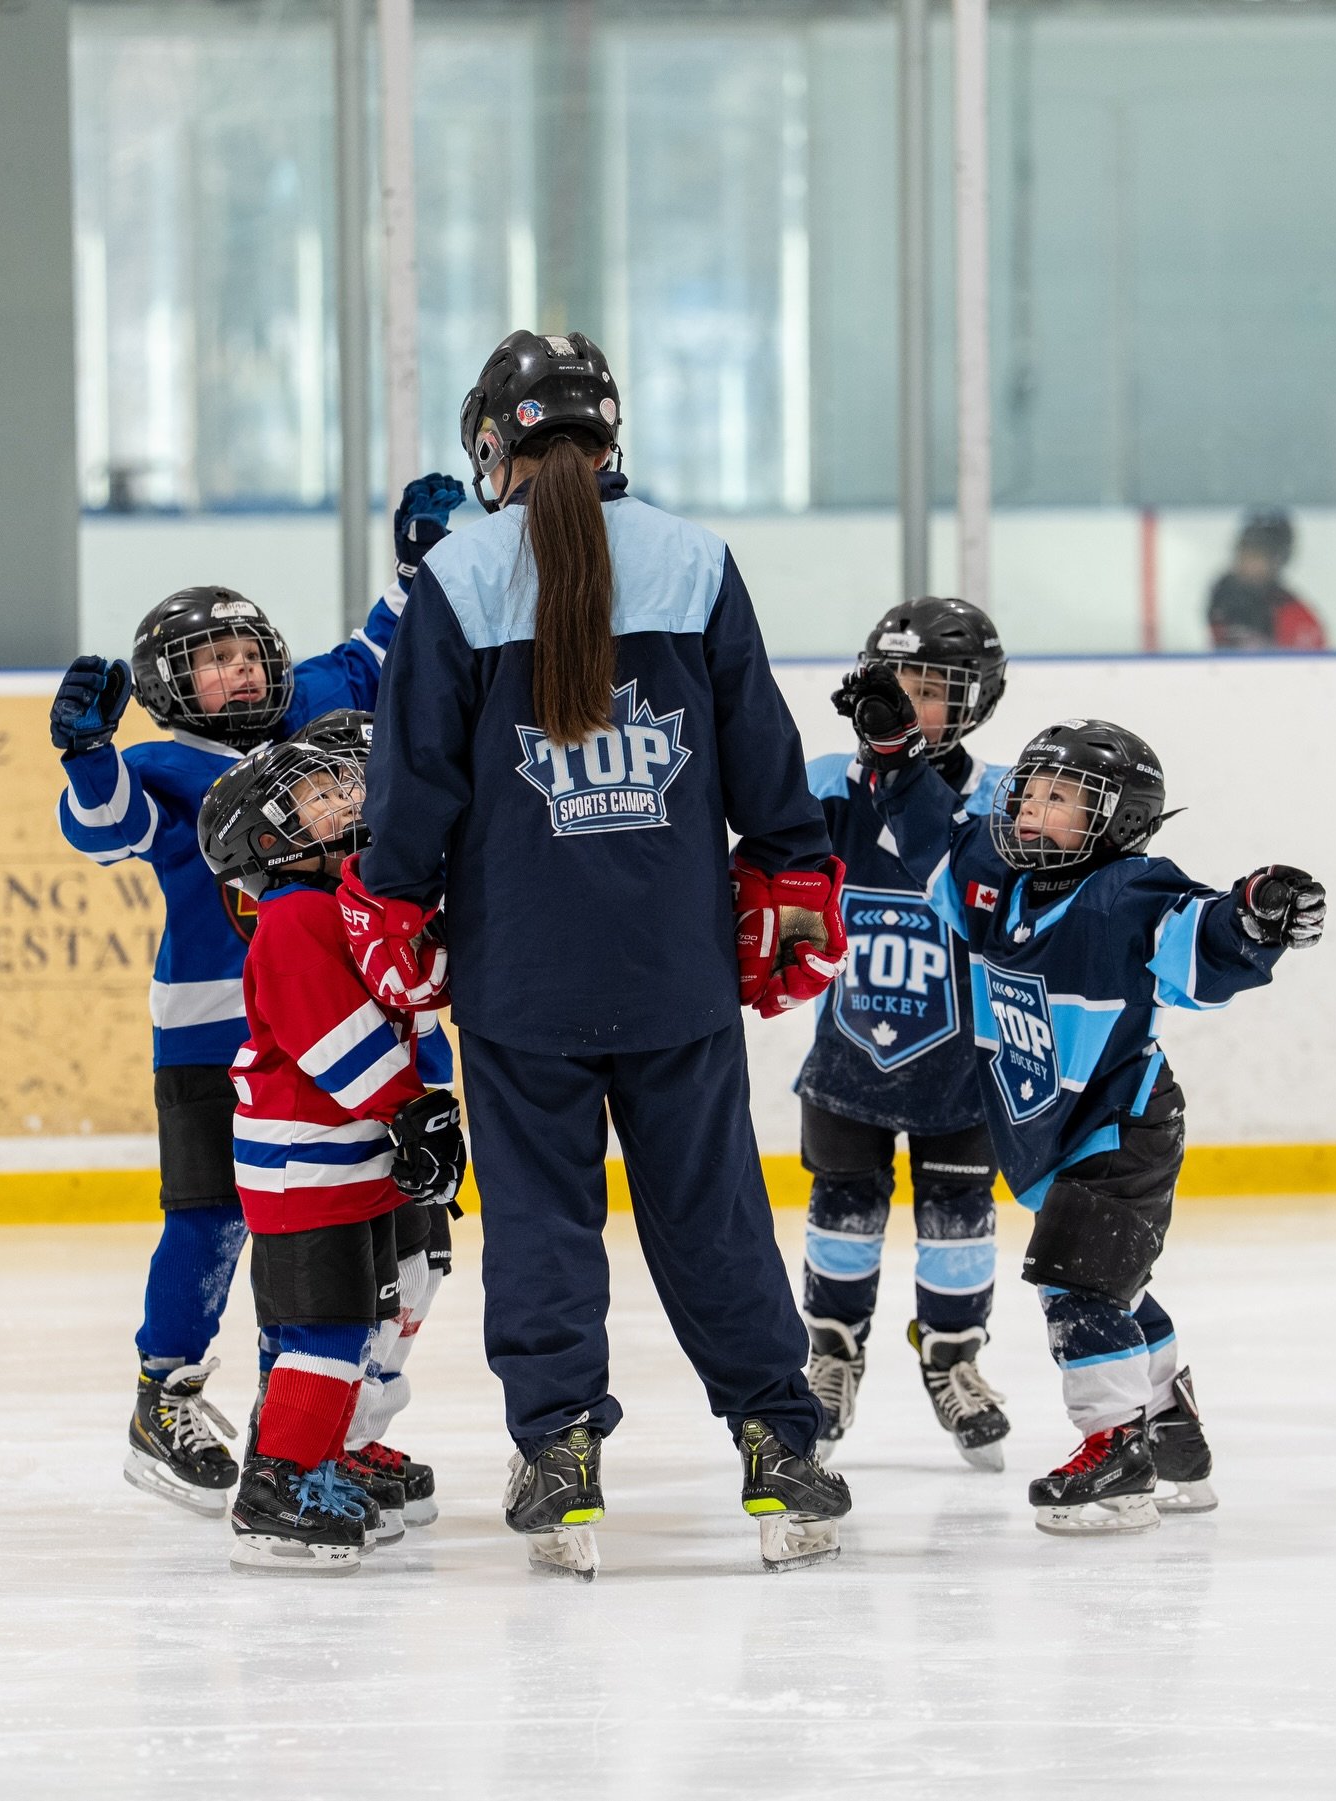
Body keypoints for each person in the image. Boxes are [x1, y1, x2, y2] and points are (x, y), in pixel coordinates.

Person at [334, 328, 852, 1578]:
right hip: (673, 963)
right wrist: (792, 869)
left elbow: (414, 780)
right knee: (714, 1213)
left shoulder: (458, 575)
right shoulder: (695, 558)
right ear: (612, 437)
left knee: (540, 1223)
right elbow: (763, 749)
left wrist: (391, 900)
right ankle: (780, 1447)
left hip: (521, 970)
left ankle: (559, 1450)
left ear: (490, 443)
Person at [49, 474, 464, 1518]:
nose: (239, 668)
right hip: (213, 1038)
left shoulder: (317, 704)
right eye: (213, 657)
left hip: (355, 1030)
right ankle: (165, 1395)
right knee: (211, 1223)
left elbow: (381, 647)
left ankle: (319, 1430)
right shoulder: (163, 767)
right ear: (169, 682)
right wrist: (88, 755)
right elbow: (103, 827)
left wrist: (415, 565)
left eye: (248, 650)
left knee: (364, 1240)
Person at [834, 666, 1327, 1535]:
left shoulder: (1128, 893)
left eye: (1062, 798)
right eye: (1030, 791)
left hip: (1121, 1124)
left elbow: (1202, 936)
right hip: (1053, 1134)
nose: (1032, 809)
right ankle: (1172, 1429)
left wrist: (1254, 915)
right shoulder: (993, 880)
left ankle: (1115, 1449)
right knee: (1115, 1284)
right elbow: (929, 834)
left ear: (1119, 821)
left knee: (1076, 1282)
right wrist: (893, 753)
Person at [197, 715, 466, 1574]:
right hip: (304, 1168)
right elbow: (335, 1040)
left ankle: (318, 1454)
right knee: (326, 1331)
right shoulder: (294, 919)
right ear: (268, 838)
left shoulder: (336, 907)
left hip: (346, 1166)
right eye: (319, 795)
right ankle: (278, 1484)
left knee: (345, 1324)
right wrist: (408, 1108)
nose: (348, 797)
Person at [797, 597, 1011, 1468]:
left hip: (961, 1070)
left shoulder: (1000, 800)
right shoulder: (824, 785)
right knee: (841, 1212)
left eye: (930, 689)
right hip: (850, 1057)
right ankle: (832, 1352)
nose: (909, 704)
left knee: (960, 1221)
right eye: (896, 685)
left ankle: (953, 1357)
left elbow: (990, 898)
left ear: (975, 701)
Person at [1207, 509, 1326, 650]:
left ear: (1277, 561)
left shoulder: (1297, 618)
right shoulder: (1224, 599)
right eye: (1243, 550)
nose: (1246, 561)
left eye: (1257, 555)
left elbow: (1311, 661)